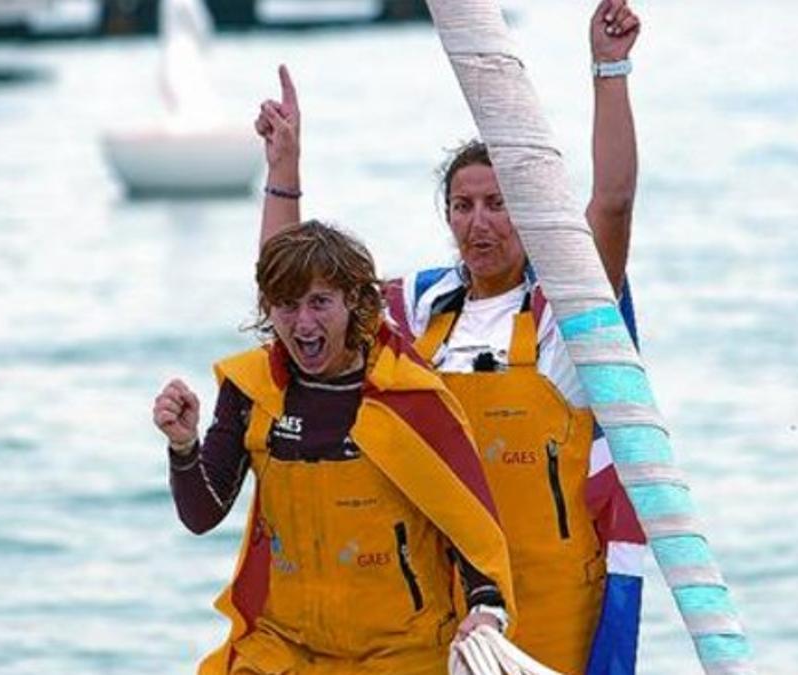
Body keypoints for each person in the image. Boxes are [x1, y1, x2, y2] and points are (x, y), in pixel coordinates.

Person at [252, 1, 648, 672]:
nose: (480, 221)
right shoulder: (415, 319)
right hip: (449, 620)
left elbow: (611, 201)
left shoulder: (566, 318)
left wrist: (610, 69)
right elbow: (296, 306)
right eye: (464, 205)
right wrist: (284, 172)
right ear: (448, 216)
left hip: (551, 616)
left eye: (500, 203)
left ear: (530, 215)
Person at [153, 221, 516, 674]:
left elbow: (473, 532)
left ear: (355, 303)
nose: (303, 323)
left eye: (320, 302)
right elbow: (202, 515)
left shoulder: (410, 398)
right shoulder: (252, 390)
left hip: (401, 655)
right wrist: (184, 447)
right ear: (268, 308)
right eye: (287, 305)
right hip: (285, 649)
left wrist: (487, 611)